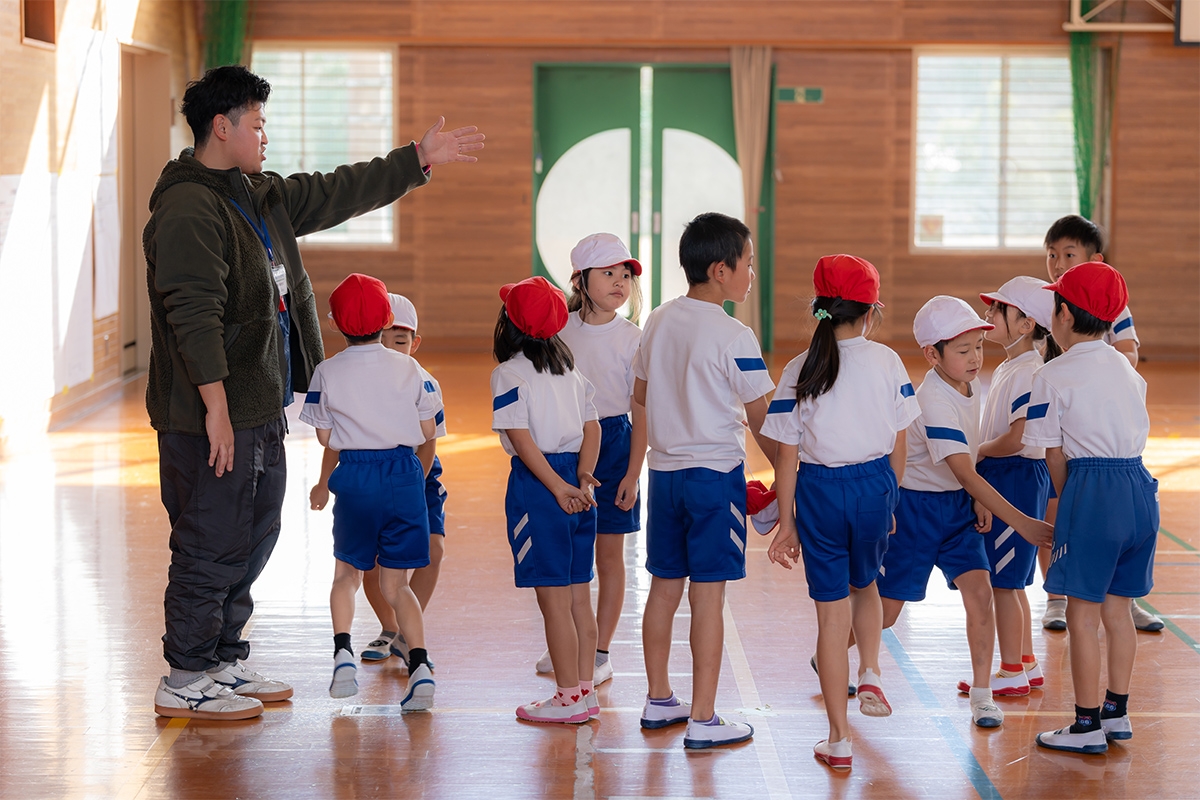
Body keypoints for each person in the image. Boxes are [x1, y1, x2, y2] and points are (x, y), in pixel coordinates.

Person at [144, 64, 483, 720]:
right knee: (211, 537)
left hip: (259, 403)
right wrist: (215, 406)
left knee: (255, 533)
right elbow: (192, 312)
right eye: (258, 124)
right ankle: (185, 675)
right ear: (224, 126)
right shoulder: (188, 205)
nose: (265, 136)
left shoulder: (257, 192)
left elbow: (337, 190)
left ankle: (220, 658)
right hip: (210, 413)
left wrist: (416, 159)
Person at [763, 254, 920, 771]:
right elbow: (900, 445)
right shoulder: (887, 362)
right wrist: (890, 498)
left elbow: (786, 453)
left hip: (820, 492)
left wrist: (786, 524)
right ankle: (871, 668)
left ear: (820, 309)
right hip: (875, 486)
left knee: (831, 618)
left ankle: (838, 739)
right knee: (867, 586)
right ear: (871, 312)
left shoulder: (797, 369)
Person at [874, 296, 1053, 730]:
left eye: (979, 346)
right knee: (887, 611)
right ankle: (835, 656)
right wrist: (1023, 522)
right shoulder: (932, 400)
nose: (975, 358)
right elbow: (966, 472)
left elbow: (967, 464)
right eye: (963, 350)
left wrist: (973, 499)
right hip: (916, 511)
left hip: (956, 511)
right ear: (932, 355)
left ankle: (981, 694)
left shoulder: (969, 385)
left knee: (980, 594)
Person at [632, 212, 776, 749]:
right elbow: (762, 417)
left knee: (664, 589)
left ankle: (658, 699)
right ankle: (704, 717)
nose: (752, 275)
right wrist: (790, 478)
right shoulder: (735, 334)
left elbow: (641, 395)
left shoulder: (660, 320)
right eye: (748, 264)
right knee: (708, 599)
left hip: (665, 476)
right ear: (720, 270)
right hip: (715, 479)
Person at [1026, 261, 1158, 754]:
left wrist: (1072, 508)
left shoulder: (1053, 373)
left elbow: (1053, 453)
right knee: (1118, 610)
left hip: (1093, 489)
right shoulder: (1125, 366)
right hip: (1139, 488)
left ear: (1062, 314)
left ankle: (1085, 727)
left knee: (1081, 613)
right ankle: (1116, 713)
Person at [300, 274, 438, 707]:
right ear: (385, 321)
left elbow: (324, 439)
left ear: (336, 325)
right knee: (399, 586)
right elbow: (428, 428)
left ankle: (342, 654)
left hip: (356, 474)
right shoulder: (412, 367)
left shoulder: (327, 370)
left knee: (347, 574)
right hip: (402, 473)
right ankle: (419, 668)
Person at [1039, 215, 1162, 633]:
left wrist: (1094, 375)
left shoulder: (1113, 309)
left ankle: (1123, 602)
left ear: (1097, 260)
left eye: (1068, 255)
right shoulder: (1050, 304)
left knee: (1101, 530)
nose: (1057, 263)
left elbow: (1127, 353)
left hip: (1095, 434)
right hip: (1062, 426)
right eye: (1052, 255)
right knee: (1054, 508)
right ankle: (1057, 595)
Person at [533, 233, 645, 686]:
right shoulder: (558, 331)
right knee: (568, 550)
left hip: (615, 441)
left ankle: (599, 650)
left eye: (625, 275)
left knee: (609, 554)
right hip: (566, 443)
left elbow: (642, 409)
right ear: (580, 280)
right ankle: (570, 636)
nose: (620, 282)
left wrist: (634, 473)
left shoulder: (633, 338)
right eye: (608, 273)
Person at [491, 276, 602, 724]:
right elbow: (592, 426)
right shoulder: (569, 370)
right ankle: (586, 692)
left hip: (542, 487)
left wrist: (557, 487)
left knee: (553, 601)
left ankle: (566, 700)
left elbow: (520, 437)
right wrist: (584, 478)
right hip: (578, 479)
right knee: (579, 597)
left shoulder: (509, 372)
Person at [959, 277, 1061, 699]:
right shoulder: (1012, 366)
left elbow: (1018, 438)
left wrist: (976, 452)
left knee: (1004, 581)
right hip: (1011, 474)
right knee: (1012, 580)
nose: (987, 315)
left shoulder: (1029, 372)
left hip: (1014, 474)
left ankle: (1010, 669)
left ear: (1024, 324)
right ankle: (1027, 664)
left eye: (997, 309)